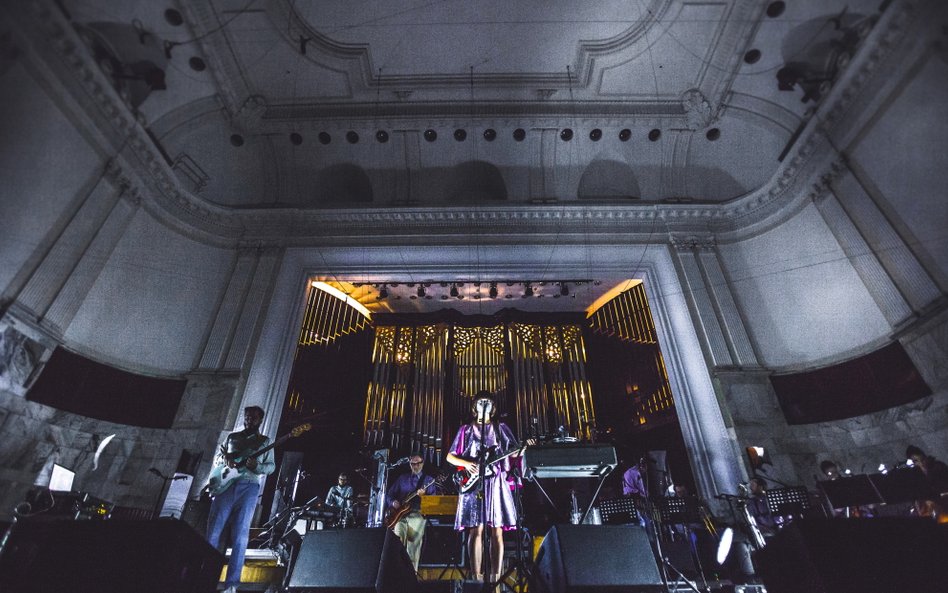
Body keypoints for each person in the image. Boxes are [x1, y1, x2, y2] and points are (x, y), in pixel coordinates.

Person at [445, 394, 520, 584]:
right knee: (475, 529)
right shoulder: (466, 430)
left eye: (487, 402)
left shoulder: (500, 428)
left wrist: (524, 448)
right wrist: (467, 464)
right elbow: (450, 456)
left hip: (496, 482)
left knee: (497, 530)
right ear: (474, 406)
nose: (484, 404)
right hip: (475, 483)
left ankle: (496, 578)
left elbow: (513, 451)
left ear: (493, 407)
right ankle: (476, 578)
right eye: (480, 401)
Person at [206, 406, 275, 593]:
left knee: (240, 535)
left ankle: (231, 586)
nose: (249, 420)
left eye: (253, 418)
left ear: (260, 420)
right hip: (225, 487)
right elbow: (218, 458)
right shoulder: (232, 438)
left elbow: (271, 467)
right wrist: (225, 459)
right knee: (213, 531)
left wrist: (257, 466)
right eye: (247, 417)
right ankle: (204, 578)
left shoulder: (265, 442)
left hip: (249, 486)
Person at [386, 454, 439, 571]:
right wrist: (393, 502)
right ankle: (396, 572)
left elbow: (433, 502)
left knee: (413, 545)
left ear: (423, 463)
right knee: (397, 541)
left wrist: (423, 496)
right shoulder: (402, 478)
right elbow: (389, 495)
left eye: (418, 463)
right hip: (400, 515)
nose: (416, 466)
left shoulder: (429, 480)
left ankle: (411, 574)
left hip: (417, 514)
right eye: (413, 464)